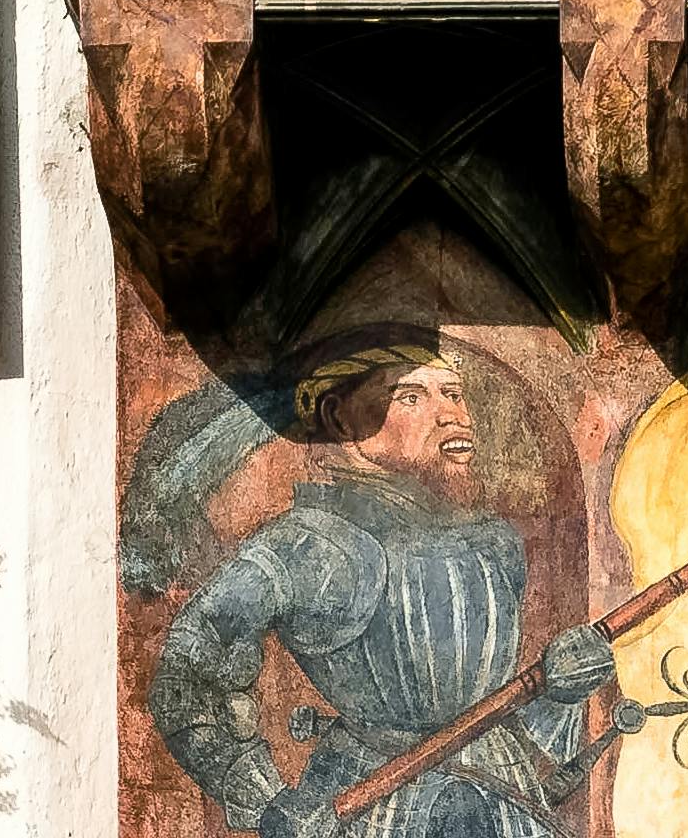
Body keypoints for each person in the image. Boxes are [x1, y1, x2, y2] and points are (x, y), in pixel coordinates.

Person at [142, 333, 626, 838]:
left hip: (504, 803)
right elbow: (185, 675)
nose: (451, 415)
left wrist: (559, 688)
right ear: (340, 419)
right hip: (367, 810)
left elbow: (509, 719)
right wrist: (265, 798)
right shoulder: (306, 545)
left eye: (454, 393)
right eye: (412, 396)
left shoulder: (494, 545)